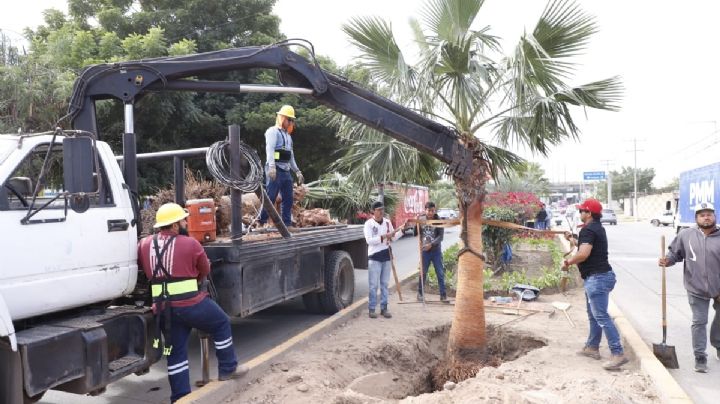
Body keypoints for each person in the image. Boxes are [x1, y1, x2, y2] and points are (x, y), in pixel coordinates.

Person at [138, 203, 248, 402]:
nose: (185, 222)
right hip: (191, 304)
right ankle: (227, 368)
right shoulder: (190, 243)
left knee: (175, 352)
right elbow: (204, 269)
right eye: (182, 220)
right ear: (173, 225)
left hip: (163, 310)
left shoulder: (144, 245)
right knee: (221, 322)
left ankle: (180, 397)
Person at [562, 198, 628, 371]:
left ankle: (618, 353)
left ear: (589, 213)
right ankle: (592, 347)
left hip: (597, 278)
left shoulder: (588, 229)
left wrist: (568, 262)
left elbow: (583, 254)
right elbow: (586, 246)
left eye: (581, 211)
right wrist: (572, 238)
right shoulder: (596, 228)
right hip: (600, 277)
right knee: (594, 315)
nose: (579, 214)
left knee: (601, 316)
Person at [659, 202, 720, 373]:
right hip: (696, 287)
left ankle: (718, 343)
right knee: (699, 321)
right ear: (696, 218)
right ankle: (700, 356)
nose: (706, 217)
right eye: (702, 214)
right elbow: (674, 254)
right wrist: (667, 261)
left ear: (714, 217)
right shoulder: (686, 235)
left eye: (709, 214)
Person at [259, 105, 304, 227]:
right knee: (271, 196)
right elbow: (270, 149)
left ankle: (287, 224)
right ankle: (261, 222)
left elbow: (290, 156)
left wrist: (297, 171)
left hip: (285, 170)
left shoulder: (288, 136)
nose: (290, 122)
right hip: (275, 169)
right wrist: (272, 167)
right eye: (289, 119)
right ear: (282, 118)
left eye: (292, 120)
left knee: (288, 198)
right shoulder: (272, 132)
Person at [363, 201, 404, 319]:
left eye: (382, 209)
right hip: (374, 257)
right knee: (373, 285)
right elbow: (369, 240)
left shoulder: (387, 222)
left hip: (386, 255)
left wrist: (402, 230)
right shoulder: (368, 224)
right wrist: (384, 236)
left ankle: (384, 308)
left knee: (385, 284)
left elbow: (394, 237)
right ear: (373, 211)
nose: (381, 212)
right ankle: (371, 309)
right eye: (379, 210)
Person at [417, 201, 447, 302]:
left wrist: (432, 244)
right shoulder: (421, 219)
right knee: (423, 272)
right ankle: (420, 294)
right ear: (425, 210)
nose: (430, 213)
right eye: (429, 210)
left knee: (440, 273)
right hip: (424, 251)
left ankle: (443, 295)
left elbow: (441, 237)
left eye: (432, 211)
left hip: (436, 252)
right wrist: (415, 224)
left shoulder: (439, 221)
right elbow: (415, 233)